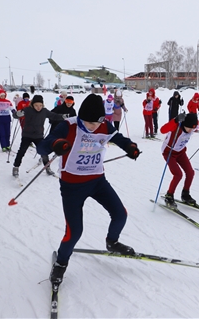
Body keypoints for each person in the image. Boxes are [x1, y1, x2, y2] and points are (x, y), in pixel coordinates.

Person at [38, 93, 140, 285]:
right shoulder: (68, 125)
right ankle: (60, 264)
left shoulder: (104, 125)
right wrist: (56, 144)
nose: (94, 127)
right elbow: (42, 147)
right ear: (81, 117)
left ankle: (112, 242)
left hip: (97, 181)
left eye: (97, 123)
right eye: (89, 123)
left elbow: (117, 137)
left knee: (120, 214)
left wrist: (130, 146)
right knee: (74, 231)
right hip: (72, 186)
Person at [160, 112, 199, 208]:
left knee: (190, 172)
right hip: (169, 153)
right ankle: (169, 195)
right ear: (184, 124)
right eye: (190, 128)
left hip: (181, 152)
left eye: (193, 128)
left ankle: (185, 194)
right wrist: (175, 120)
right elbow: (163, 130)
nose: (191, 130)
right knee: (178, 174)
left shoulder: (194, 124)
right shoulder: (176, 127)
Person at [11, 95, 66, 177]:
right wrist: (17, 114)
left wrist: (62, 116)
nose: (38, 107)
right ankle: (16, 167)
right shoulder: (28, 110)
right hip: (27, 135)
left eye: (40, 105)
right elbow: (16, 115)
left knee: (44, 152)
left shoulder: (44, 111)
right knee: (22, 151)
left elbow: (53, 115)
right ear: (32, 104)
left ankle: (47, 167)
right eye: (36, 105)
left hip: (38, 135)